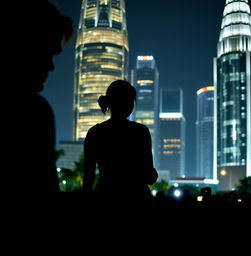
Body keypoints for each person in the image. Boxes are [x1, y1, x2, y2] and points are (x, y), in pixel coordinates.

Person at [3, 0, 73, 240]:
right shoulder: (34, 112)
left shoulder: (36, 110)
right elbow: (44, 200)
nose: (51, 67)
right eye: (46, 53)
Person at [83, 80, 158, 230]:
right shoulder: (140, 132)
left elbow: (88, 176)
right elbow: (149, 176)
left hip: (105, 199)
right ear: (130, 104)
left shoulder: (94, 133)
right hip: (137, 201)